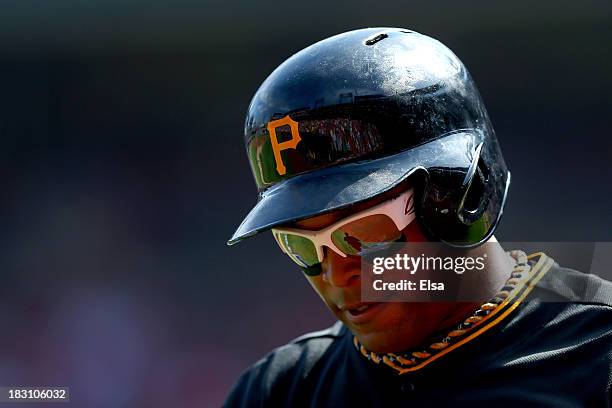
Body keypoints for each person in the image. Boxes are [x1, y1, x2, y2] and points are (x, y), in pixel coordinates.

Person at [224, 28, 612, 407]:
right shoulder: (281, 388)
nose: (336, 274)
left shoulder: (599, 350)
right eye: (299, 245)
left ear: (462, 194)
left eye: (362, 232)